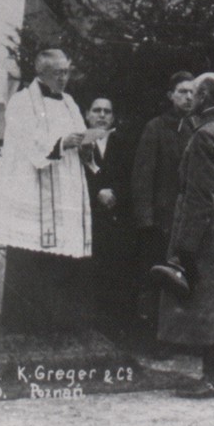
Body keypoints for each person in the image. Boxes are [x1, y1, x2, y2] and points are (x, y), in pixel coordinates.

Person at [152, 73, 214, 398]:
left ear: (205, 96)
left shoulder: (205, 135)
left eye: (195, 93)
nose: (190, 98)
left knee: (206, 297)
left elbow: (200, 196)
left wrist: (185, 247)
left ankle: (211, 379)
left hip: (207, 223)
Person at [0, 48, 95, 332]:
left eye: (67, 71)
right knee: (30, 257)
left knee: (60, 257)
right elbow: (29, 142)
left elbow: (79, 133)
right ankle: (23, 324)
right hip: (32, 186)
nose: (65, 78)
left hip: (66, 188)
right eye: (58, 73)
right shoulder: (21, 102)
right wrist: (62, 142)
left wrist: (86, 142)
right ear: (41, 72)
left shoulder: (69, 101)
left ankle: (57, 322)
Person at [131, 71, 195, 329]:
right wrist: (146, 219)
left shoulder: (198, 127)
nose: (188, 97)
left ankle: (183, 335)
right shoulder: (156, 127)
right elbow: (142, 176)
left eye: (192, 92)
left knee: (186, 277)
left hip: (189, 218)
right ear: (170, 96)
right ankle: (156, 337)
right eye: (182, 92)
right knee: (159, 276)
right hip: (162, 218)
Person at [81, 97, 135, 335]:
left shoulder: (124, 143)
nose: (102, 115)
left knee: (119, 275)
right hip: (90, 219)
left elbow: (133, 175)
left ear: (113, 117)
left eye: (107, 111)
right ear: (87, 115)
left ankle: (119, 332)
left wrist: (115, 194)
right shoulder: (80, 144)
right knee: (92, 276)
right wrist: (97, 193)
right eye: (97, 110)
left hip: (118, 218)